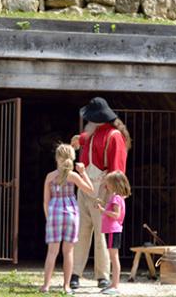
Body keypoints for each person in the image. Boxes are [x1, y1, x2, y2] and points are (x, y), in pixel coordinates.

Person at [69, 97, 131, 290]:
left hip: (103, 190)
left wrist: (113, 195)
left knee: (102, 234)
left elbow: (117, 170)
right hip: (84, 188)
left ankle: (103, 275)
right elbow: (80, 140)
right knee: (81, 232)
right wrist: (77, 139)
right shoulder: (92, 134)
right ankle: (75, 273)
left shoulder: (114, 136)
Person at [40, 144, 94, 294]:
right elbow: (90, 190)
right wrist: (83, 173)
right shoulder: (74, 176)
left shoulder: (50, 177)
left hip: (54, 214)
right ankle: (66, 286)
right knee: (68, 252)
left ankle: (46, 286)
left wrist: (48, 218)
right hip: (71, 213)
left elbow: (45, 201)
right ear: (72, 157)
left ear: (57, 158)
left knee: (52, 252)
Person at [97, 171, 131, 295]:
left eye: (108, 184)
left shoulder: (116, 198)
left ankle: (115, 285)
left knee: (114, 258)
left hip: (113, 230)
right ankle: (113, 284)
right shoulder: (118, 197)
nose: (107, 186)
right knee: (113, 257)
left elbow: (116, 215)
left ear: (115, 184)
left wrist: (103, 211)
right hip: (113, 230)